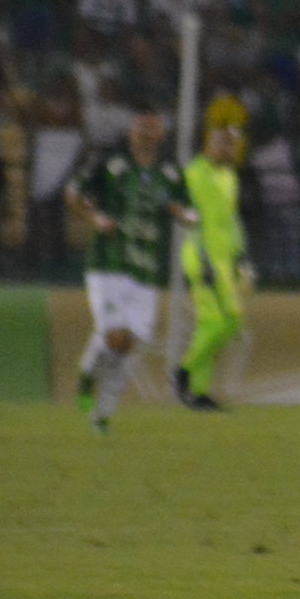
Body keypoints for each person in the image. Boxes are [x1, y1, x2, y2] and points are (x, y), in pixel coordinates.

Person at [66, 105, 195, 432]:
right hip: (107, 263)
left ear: (162, 134)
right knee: (115, 336)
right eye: (141, 128)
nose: (147, 135)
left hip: (146, 270)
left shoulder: (171, 173)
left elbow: (188, 210)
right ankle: (88, 381)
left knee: (128, 344)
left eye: (153, 129)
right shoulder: (111, 164)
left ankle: (102, 413)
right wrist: (95, 218)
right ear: (131, 132)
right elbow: (73, 193)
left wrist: (185, 216)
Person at [174, 123, 250, 411]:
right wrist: (204, 260)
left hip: (225, 260)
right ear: (207, 145)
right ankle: (184, 370)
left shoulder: (229, 176)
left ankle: (198, 393)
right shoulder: (197, 173)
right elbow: (190, 217)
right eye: (220, 142)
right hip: (204, 258)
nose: (226, 149)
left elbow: (231, 221)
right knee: (231, 320)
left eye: (230, 144)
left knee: (210, 325)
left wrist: (241, 257)